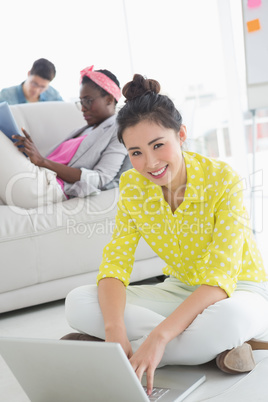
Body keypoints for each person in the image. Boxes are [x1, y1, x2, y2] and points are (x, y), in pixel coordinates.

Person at [63, 74, 268, 395]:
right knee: (79, 301)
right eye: (136, 152)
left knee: (227, 319)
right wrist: (114, 327)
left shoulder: (222, 178)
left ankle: (126, 353)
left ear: (181, 135)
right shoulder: (132, 187)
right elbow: (115, 266)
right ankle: (211, 351)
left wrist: (159, 336)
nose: (150, 162)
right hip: (178, 290)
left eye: (158, 145)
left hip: (238, 291)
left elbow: (220, 277)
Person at [0, 66, 130, 209]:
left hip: (49, 189)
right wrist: (31, 153)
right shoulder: (85, 130)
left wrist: (42, 161)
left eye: (87, 100)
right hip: (38, 175)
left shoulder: (119, 130)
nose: (82, 108)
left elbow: (99, 179)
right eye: (81, 101)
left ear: (109, 99)